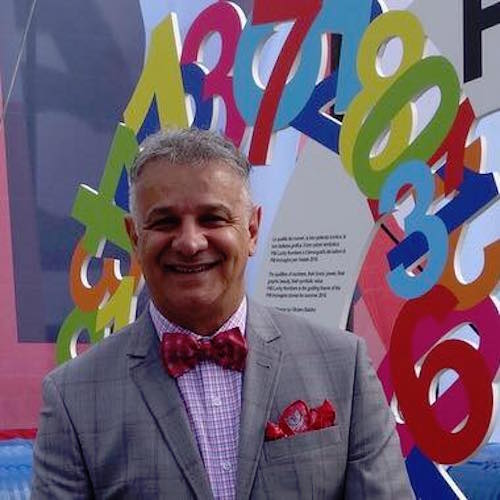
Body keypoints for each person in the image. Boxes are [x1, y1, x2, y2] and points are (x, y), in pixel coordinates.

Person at [32, 128, 414, 499]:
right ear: (135, 238)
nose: (190, 242)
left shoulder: (342, 367)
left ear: (251, 230)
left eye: (212, 218)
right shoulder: (73, 399)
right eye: (165, 222)